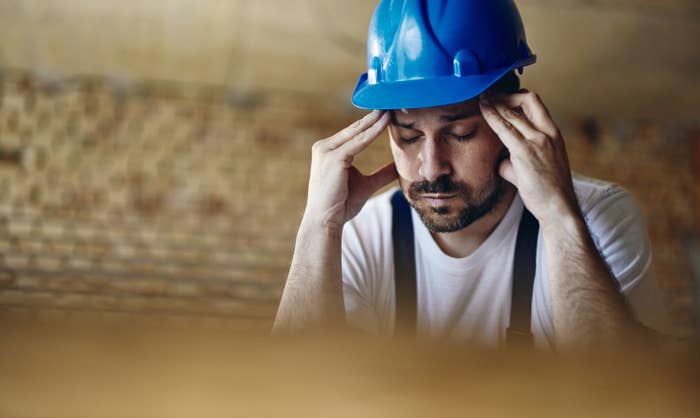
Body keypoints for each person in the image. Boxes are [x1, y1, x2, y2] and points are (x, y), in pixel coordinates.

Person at [272, 0, 674, 350]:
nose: (431, 168)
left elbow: (617, 393)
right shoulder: (360, 236)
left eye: (460, 133)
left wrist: (559, 218)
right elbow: (293, 397)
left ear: (513, 119)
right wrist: (318, 227)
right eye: (408, 136)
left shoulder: (600, 219)